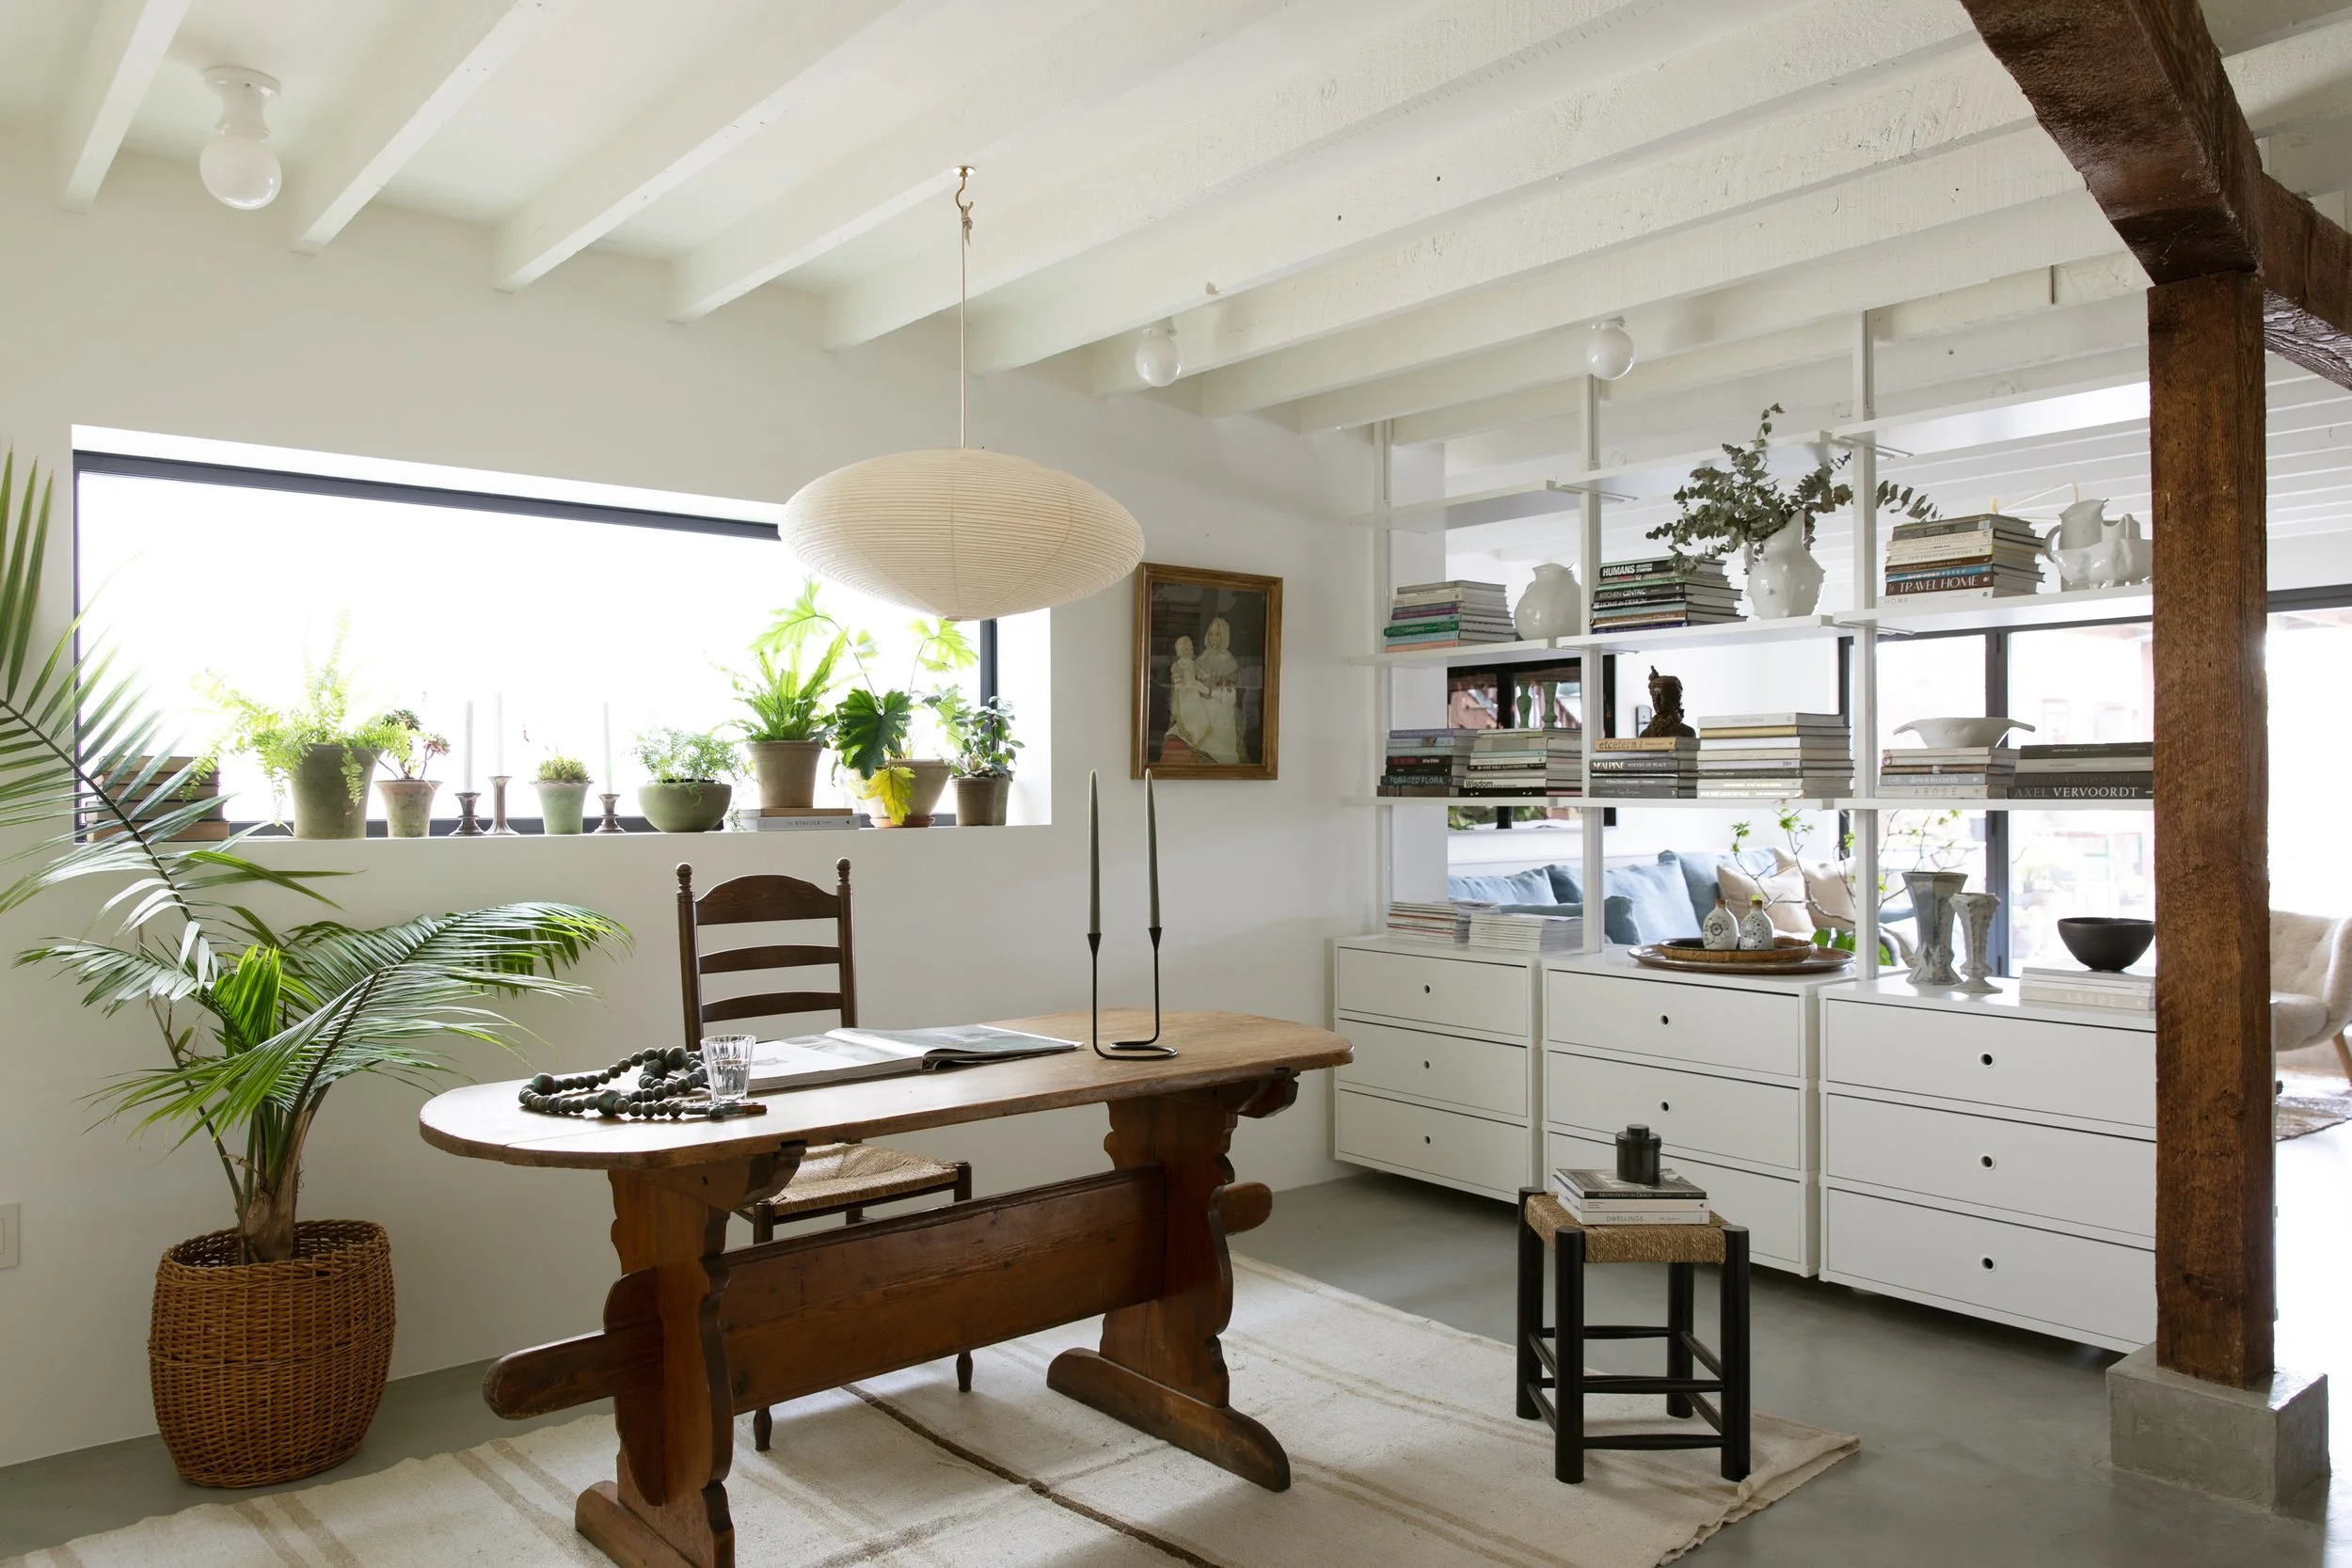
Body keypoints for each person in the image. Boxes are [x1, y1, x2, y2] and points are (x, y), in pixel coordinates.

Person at [1194, 617, 1247, 764]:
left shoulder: (1229, 661)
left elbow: (1231, 698)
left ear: (1224, 636)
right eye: (1211, 634)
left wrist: (1208, 691)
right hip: (1203, 713)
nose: (1213, 638)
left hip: (1221, 716)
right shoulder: (1203, 658)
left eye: (1217, 634)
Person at [1162, 635, 1213, 760]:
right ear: (1180, 650)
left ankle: (1198, 735)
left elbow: (1199, 673)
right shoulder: (1177, 665)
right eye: (1187, 650)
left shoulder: (1192, 664)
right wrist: (1183, 686)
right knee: (1187, 713)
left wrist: (1205, 675)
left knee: (1198, 712)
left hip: (1193, 693)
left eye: (1191, 649)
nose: (1190, 652)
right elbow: (1177, 681)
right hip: (1184, 695)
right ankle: (1190, 734)